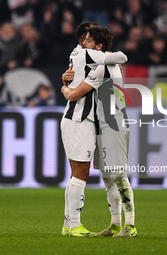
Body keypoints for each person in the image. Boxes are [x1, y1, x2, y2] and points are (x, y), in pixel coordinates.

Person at [62, 25, 136, 237]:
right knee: (107, 176)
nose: (84, 44)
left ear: (99, 47)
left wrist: (64, 88)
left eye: (88, 41)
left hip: (115, 126)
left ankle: (130, 225)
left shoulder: (102, 67)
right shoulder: (102, 63)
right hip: (101, 126)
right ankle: (114, 224)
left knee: (118, 176)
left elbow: (75, 94)